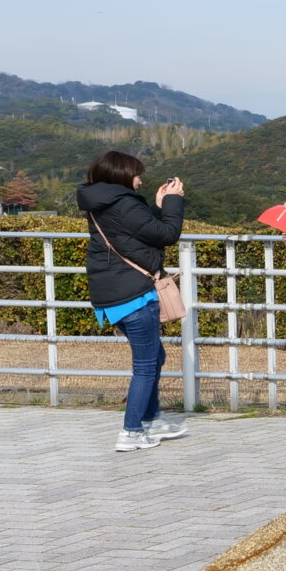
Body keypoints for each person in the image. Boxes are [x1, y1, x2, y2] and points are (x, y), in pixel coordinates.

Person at [77, 150, 188, 453]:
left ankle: (150, 419)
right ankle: (131, 432)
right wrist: (175, 201)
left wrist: (157, 204)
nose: (140, 179)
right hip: (133, 295)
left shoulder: (104, 201)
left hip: (114, 292)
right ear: (123, 175)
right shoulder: (123, 203)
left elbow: (139, 231)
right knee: (145, 365)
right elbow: (166, 234)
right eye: (137, 174)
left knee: (156, 358)